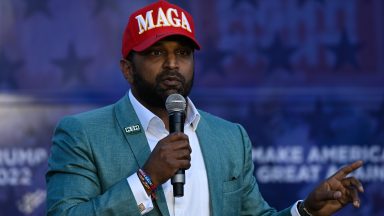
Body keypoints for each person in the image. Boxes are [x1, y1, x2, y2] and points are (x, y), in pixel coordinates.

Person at [46, 1, 364, 215]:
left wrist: (305, 210)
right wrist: (146, 179)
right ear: (127, 69)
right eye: (156, 53)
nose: (172, 64)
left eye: (182, 52)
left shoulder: (229, 137)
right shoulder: (82, 133)